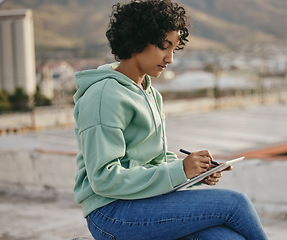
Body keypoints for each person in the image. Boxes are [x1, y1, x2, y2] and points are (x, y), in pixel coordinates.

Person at [73, 0, 268, 239]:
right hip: (111, 212)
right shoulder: (104, 95)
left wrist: (196, 174)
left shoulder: (149, 92)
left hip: (146, 202)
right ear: (137, 39)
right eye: (164, 47)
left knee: (225, 238)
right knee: (235, 203)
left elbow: (156, 161)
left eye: (174, 49)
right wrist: (180, 171)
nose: (170, 58)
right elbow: (103, 178)